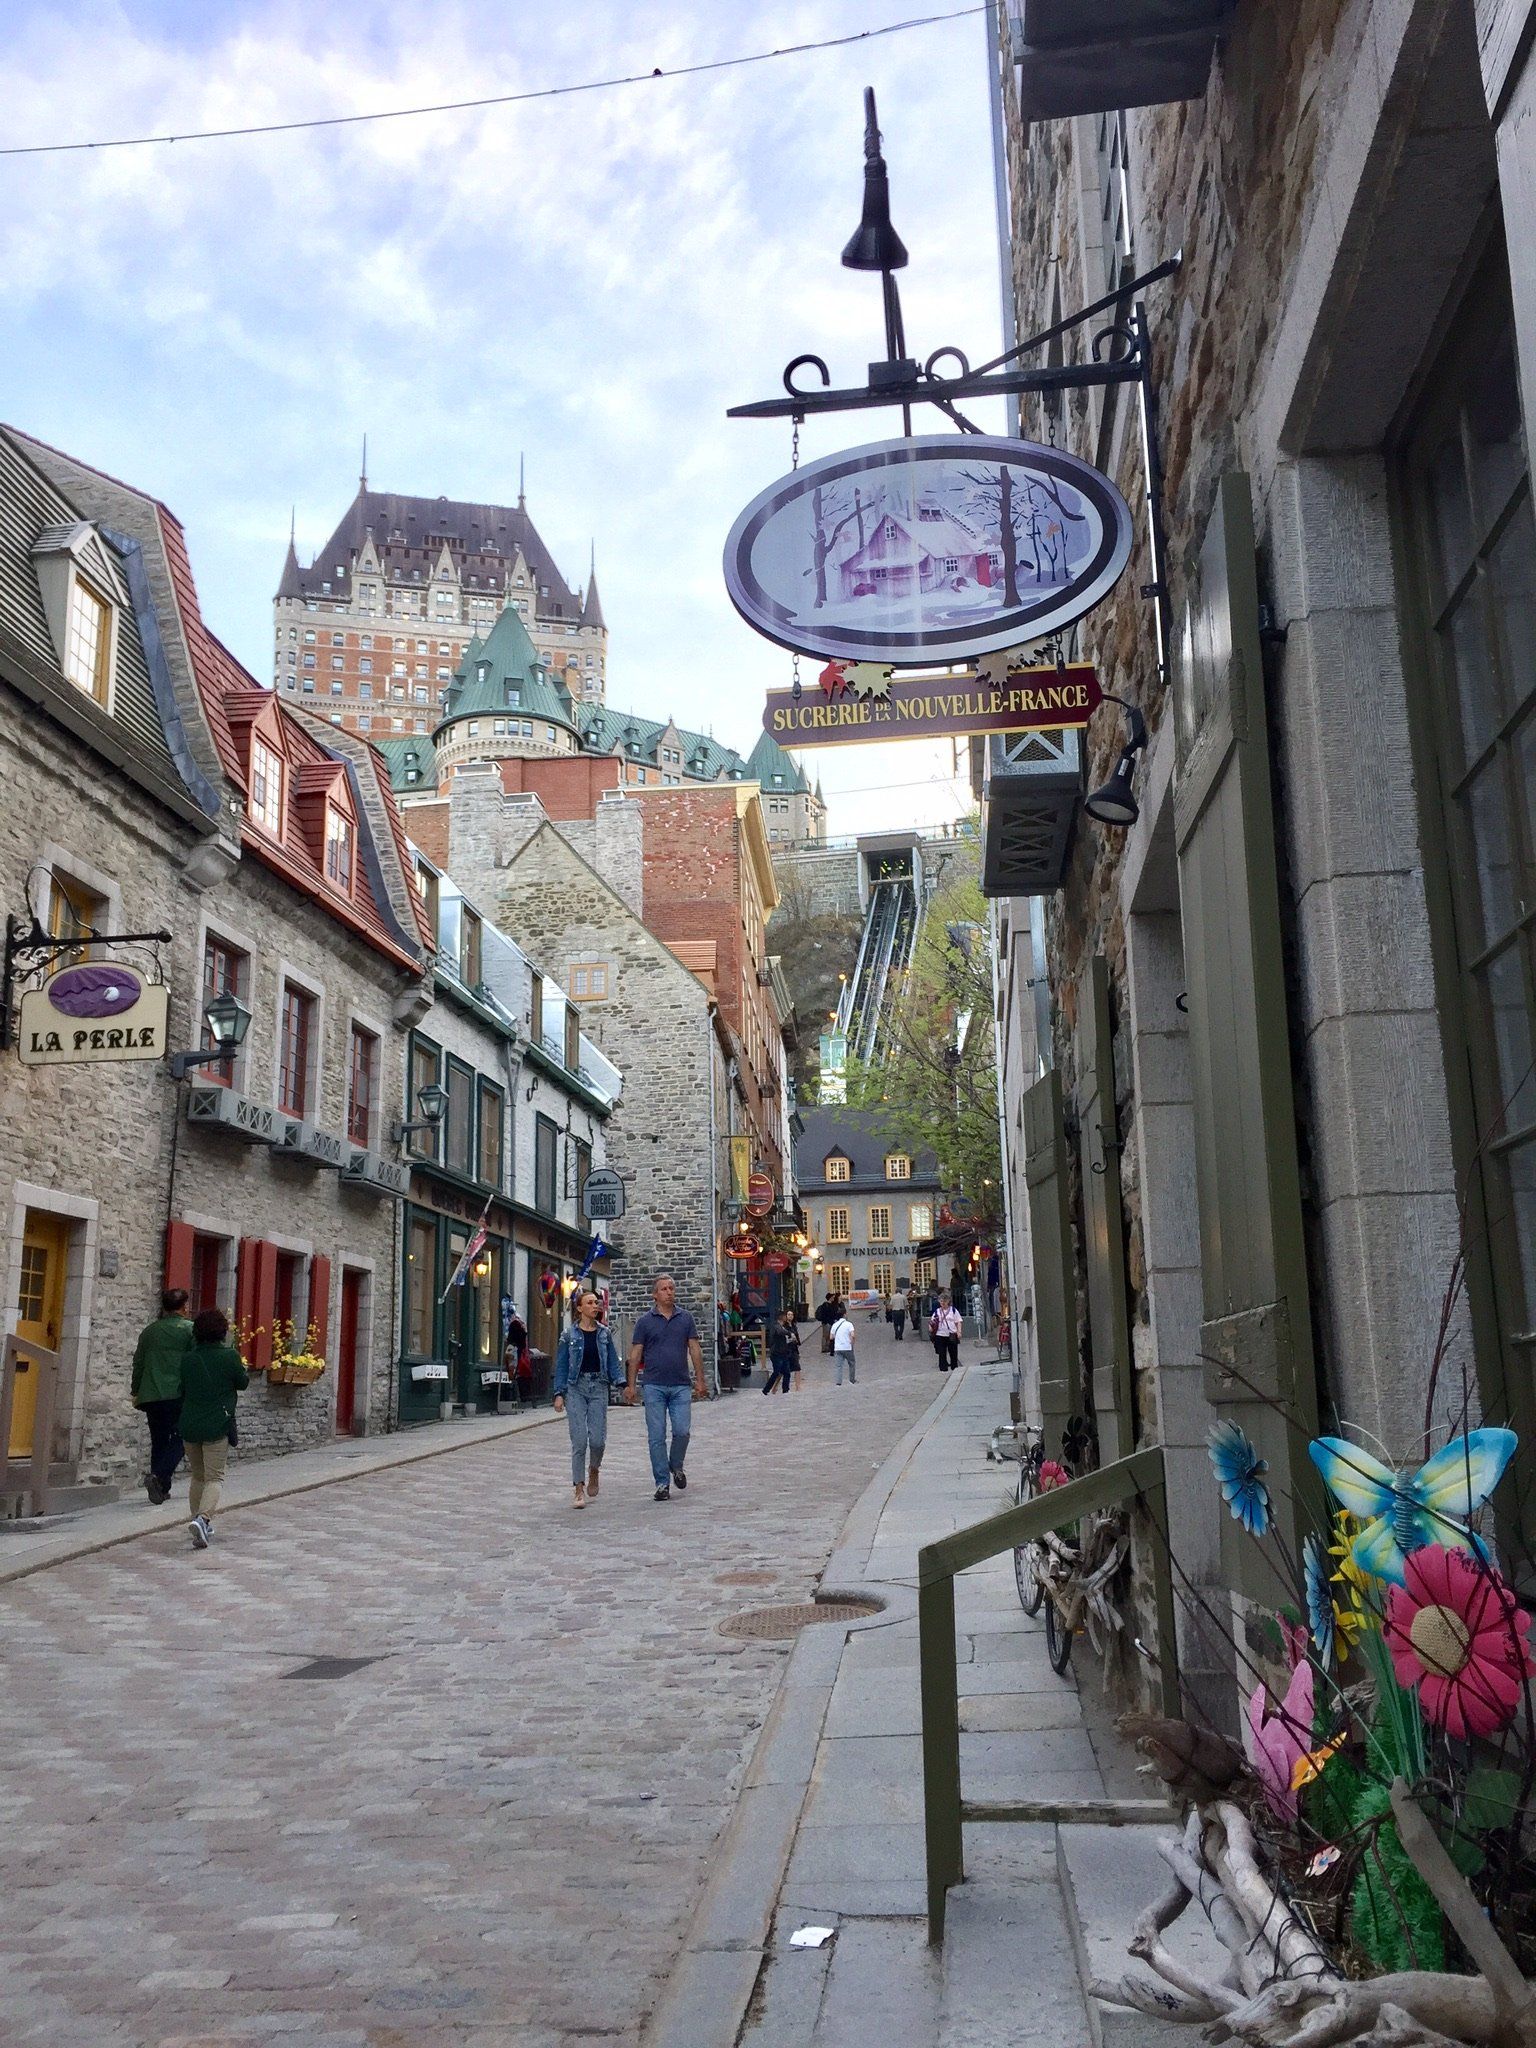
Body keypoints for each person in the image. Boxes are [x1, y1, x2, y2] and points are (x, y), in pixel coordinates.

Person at [626, 1273, 708, 1501]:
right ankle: (662, 1483)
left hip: (680, 1384)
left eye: (671, 1288)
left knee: (682, 1431)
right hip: (653, 1385)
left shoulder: (685, 1318)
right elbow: (635, 1354)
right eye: (664, 1289)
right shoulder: (644, 1322)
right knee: (656, 1436)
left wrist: (700, 1379)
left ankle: (676, 1465)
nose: (669, 1292)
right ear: (655, 1295)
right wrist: (631, 1385)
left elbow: (694, 1349)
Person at [178, 1308, 248, 1548]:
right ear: (222, 1332)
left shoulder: (188, 1359)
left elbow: (181, 1389)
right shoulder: (229, 1356)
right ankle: (203, 1518)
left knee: (197, 1476)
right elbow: (243, 1382)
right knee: (215, 1477)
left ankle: (199, 1524)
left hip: (190, 1424)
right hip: (217, 1424)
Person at [553, 1290, 624, 1508]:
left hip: (599, 1387)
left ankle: (594, 1468)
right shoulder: (569, 1335)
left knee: (597, 1440)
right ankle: (578, 1489)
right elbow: (562, 1365)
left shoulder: (604, 1334)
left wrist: (621, 1382)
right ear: (580, 1308)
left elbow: (612, 1360)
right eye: (590, 1302)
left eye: (597, 1302)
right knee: (580, 1440)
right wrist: (559, 1393)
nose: (595, 1305)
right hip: (576, 1387)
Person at [131, 1287, 193, 1504]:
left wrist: (136, 1389)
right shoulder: (189, 1330)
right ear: (184, 1307)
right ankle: (159, 1476)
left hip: (151, 1394)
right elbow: (194, 1361)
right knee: (183, 1436)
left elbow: (138, 1362)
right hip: (177, 1392)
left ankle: (161, 1488)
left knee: (158, 1440)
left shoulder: (149, 1332)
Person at [763, 1310, 800, 1395]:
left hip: (783, 1353)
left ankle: (785, 1390)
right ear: (781, 1317)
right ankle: (766, 1389)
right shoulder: (776, 1326)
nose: (786, 1317)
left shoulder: (782, 1326)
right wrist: (789, 1333)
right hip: (776, 1353)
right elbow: (780, 1332)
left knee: (787, 1372)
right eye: (785, 1316)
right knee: (776, 1372)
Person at [930, 1291, 962, 1372]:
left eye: (944, 1301)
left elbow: (958, 1322)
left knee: (953, 1353)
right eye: (941, 1301)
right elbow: (932, 1321)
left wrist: (959, 1332)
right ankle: (943, 1369)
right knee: (942, 1353)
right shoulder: (937, 1311)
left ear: (948, 1301)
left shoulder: (953, 1310)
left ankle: (954, 1368)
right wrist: (930, 1327)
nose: (942, 1303)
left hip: (951, 1334)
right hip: (940, 1335)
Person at [830, 1301, 857, 1385]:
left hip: (838, 1348)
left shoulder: (835, 1325)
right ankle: (851, 1380)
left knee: (839, 1366)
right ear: (844, 1314)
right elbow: (853, 1335)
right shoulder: (849, 1324)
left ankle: (838, 1382)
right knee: (851, 1363)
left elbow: (831, 1337)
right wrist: (852, 1342)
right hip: (847, 1347)